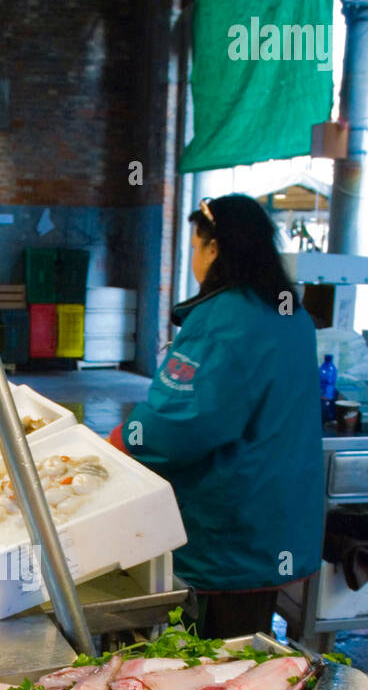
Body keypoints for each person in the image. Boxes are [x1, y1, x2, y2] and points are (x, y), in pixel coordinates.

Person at [110, 193, 324, 639]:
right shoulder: (289, 313)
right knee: (247, 653)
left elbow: (184, 424)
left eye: (193, 245)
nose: (193, 257)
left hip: (228, 530)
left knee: (208, 666)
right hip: (275, 523)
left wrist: (122, 441)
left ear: (214, 248)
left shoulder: (225, 319)